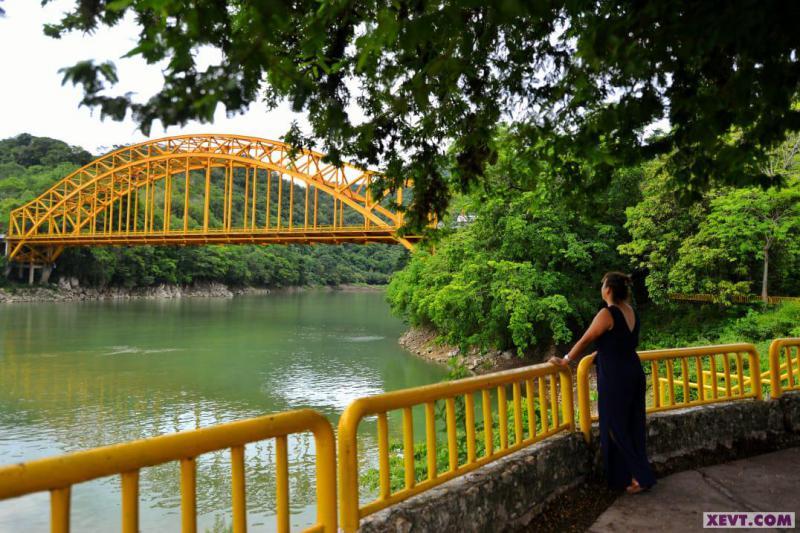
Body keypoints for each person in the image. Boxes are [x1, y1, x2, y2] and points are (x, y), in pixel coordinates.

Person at [549, 271, 656, 494]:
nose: (601, 289)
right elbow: (621, 342)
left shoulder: (607, 313)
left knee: (615, 425)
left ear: (608, 290)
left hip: (616, 376)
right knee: (633, 423)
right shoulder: (631, 311)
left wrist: (566, 359)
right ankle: (635, 475)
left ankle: (639, 477)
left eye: (602, 285)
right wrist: (601, 353)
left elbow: (585, 339)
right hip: (633, 371)